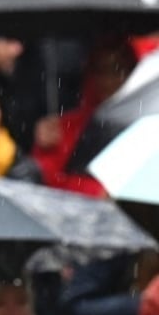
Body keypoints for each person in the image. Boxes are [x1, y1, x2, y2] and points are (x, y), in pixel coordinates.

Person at [32, 36, 137, 197]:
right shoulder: (64, 127)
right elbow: (45, 184)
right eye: (100, 70)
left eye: (118, 69)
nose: (108, 80)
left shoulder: (147, 125)